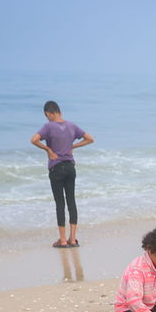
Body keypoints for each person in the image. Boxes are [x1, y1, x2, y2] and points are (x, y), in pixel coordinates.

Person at [30, 101, 93, 248]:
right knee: (71, 201)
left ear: (49, 113)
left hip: (57, 168)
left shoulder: (48, 126)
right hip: (70, 167)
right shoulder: (72, 126)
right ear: (59, 111)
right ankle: (72, 239)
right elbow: (90, 138)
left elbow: (33, 140)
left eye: (47, 116)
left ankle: (63, 240)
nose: (48, 119)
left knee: (60, 203)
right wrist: (73, 146)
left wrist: (48, 150)